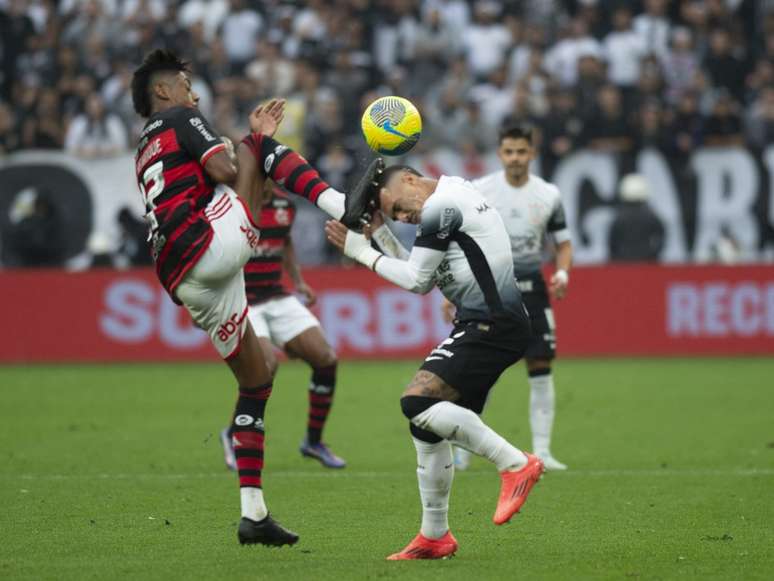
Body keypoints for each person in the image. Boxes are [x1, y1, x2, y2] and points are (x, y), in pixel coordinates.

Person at [131, 49, 367, 546]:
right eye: (186, 85)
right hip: (207, 248)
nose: (194, 95)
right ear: (163, 91)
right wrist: (250, 144)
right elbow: (223, 168)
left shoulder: (144, 148)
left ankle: (253, 515)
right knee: (257, 146)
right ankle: (342, 205)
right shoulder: (181, 116)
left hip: (185, 280)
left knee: (256, 381)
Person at [325, 162, 545, 561]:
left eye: (398, 209)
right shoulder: (452, 193)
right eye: (395, 217)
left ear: (409, 179)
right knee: (427, 428)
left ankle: (515, 463)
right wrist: (379, 234)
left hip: (490, 324)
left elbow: (414, 280)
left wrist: (359, 251)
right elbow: (424, 275)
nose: (404, 218)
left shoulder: (441, 206)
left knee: (417, 402)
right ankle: (434, 536)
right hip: (493, 322)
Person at [444, 125, 572, 472]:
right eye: (509, 152)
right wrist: (453, 288)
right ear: (500, 155)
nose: (515, 158)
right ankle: (462, 451)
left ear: (532, 153)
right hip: (487, 288)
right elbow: (459, 240)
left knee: (541, 366)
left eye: (521, 152)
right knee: (476, 369)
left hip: (531, 287)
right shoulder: (483, 191)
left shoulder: (548, 194)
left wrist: (562, 272)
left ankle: (543, 451)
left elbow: (562, 243)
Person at [220, 178, 345, 471]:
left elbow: (285, 241)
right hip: (243, 300)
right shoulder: (229, 204)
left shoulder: (283, 204)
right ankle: (234, 432)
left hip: (277, 296)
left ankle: (313, 442)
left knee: (326, 359)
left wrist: (299, 281)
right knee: (265, 367)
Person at [609, 174, 665, 262]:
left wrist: (617, 257)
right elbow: (661, 236)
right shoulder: (650, 215)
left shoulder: (620, 216)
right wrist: (653, 254)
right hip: (647, 262)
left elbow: (612, 243)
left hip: (624, 262)